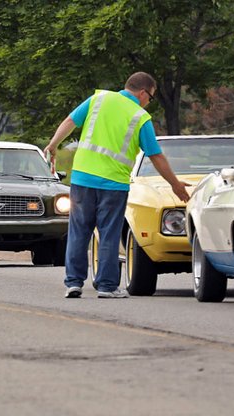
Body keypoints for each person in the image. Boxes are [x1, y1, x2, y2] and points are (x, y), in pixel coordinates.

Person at [44, 72, 191, 299]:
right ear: (143, 92)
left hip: (83, 178)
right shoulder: (140, 117)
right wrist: (174, 185)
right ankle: (106, 286)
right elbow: (156, 156)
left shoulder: (98, 99)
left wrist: (53, 145)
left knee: (78, 232)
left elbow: (70, 121)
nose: (148, 103)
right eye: (150, 98)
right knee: (109, 234)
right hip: (113, 183)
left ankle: (73, 283)